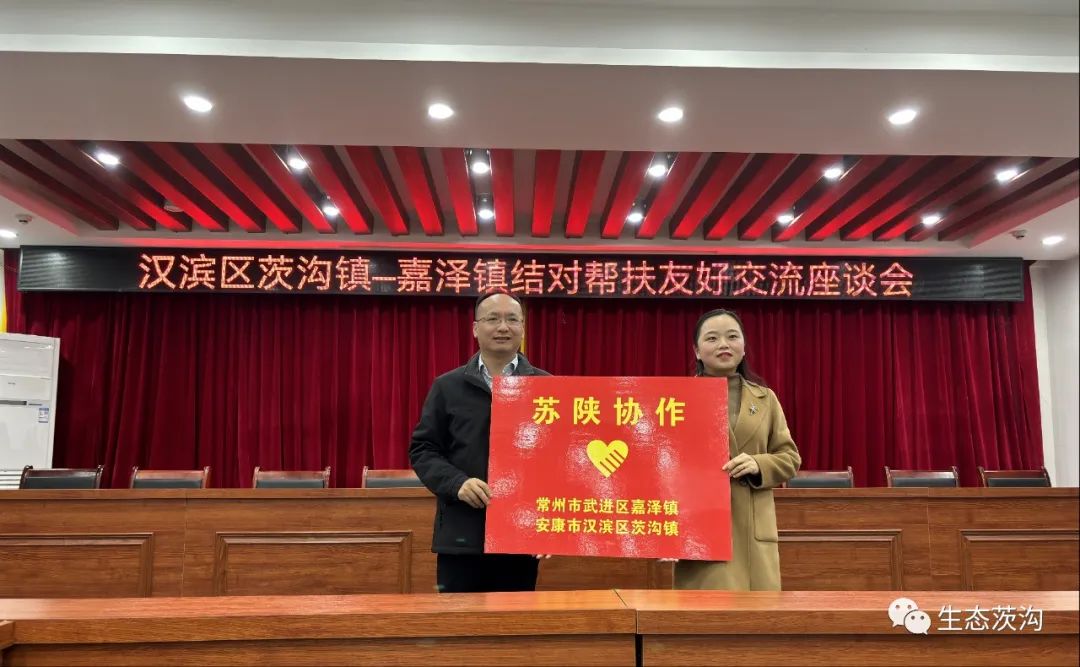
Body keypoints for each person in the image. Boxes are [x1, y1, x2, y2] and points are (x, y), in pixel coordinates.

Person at [409, 292, 551, 593]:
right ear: (475, 328)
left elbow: (558, 461)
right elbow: (423, 450)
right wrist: (456, 483)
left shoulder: (547, 388)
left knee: (512, 620)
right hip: (461, 534)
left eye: (512, 319)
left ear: (523, 328)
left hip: (520, 536)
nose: (503, 327)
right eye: (493, 319)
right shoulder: (447, 386)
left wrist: (548, 526)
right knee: (457, 620)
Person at [674, 308, 801, 591]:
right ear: (696, 351)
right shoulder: (676, 400)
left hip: (752, 530)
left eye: (732, 337)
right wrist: (665, 534)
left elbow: (790, 458)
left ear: (743, 347)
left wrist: (759, 464)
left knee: (756, 614)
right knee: (706, 613)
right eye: (712, 338)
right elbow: (660, 466)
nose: (723, 344)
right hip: (700, 527)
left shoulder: (766, 399)